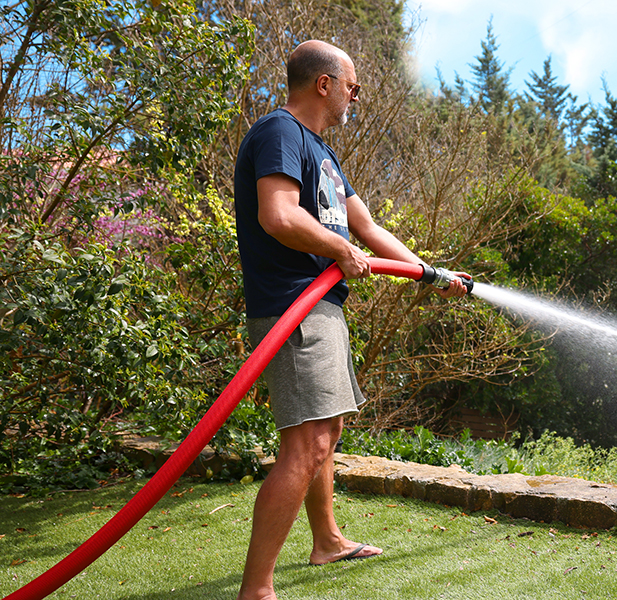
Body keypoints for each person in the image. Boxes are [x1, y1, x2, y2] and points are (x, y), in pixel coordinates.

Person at [232, 40, 468, 600]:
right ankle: (257, 590)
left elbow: (367, 230)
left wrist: (430, 273)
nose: (356, 96)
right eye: (352, 86)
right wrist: (337, 254)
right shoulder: (280, 134)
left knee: (326, 432)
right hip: (294, 306)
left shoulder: (325, 157)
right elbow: (278, 214)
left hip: (321, 308)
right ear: (324, 83)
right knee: (307, 442)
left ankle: (328, 540)